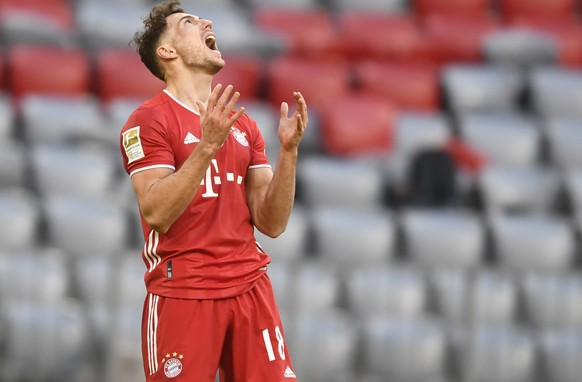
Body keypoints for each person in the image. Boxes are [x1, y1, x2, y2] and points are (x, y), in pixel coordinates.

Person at [119, 1, 308, 381]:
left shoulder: (244, 124)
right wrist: (206, 147)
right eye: (189, 21)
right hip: (185, 292)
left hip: (250, 287)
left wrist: (289, 153)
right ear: (167, 51)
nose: (207, 21)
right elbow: (156, 211)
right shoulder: (147, 121)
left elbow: (272, 223)